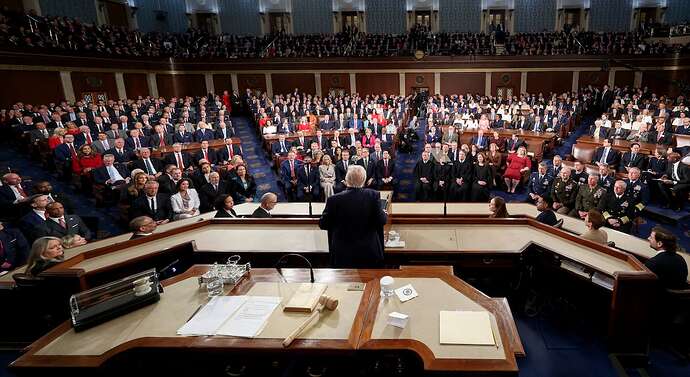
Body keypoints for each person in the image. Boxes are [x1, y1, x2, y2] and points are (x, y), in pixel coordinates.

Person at [319, 165, 387, 268]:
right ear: (364, 179)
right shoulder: (373, 196)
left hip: (342, 254)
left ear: (346, 180)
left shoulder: (334, 199)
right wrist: (383, 213)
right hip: (368, 252)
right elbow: (381, 221)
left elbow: (323, 224)